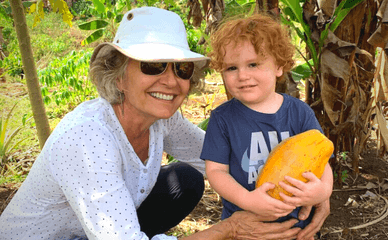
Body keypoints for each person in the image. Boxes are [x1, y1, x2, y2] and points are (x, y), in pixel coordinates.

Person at [0, 7, 314, 240]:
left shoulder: (161, 120)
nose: (170, 80)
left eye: (181, 70)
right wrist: (229, 228)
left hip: (91, 230)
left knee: (185, 180)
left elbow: (223, 161)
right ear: (118, 74)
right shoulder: (87, 138)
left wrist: (312, 192)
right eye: (153, 65)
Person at [200, 13, 333, 240]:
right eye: (231, 68)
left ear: (279, 66)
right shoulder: (222, 118)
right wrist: (247, 200)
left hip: (298, 227)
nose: (242, 75)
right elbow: (216, 172)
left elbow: (322, 159)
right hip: (247, 228)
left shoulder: (299, 112)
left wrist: (323, 191)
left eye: (253, 64)